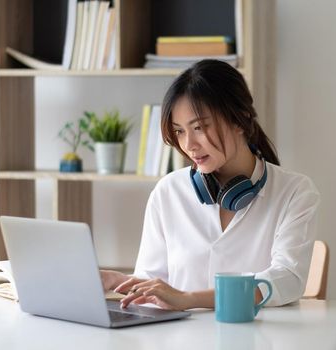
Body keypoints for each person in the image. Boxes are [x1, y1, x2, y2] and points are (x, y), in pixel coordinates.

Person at [100, 59, 321, 311]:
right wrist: (125, 282)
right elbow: (155, 284)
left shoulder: (295, 192)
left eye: (199, 127)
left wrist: (191, 299)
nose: (189, 145)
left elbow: (287, 280)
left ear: (240, 119)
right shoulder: (168, 192)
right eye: (180, 131)